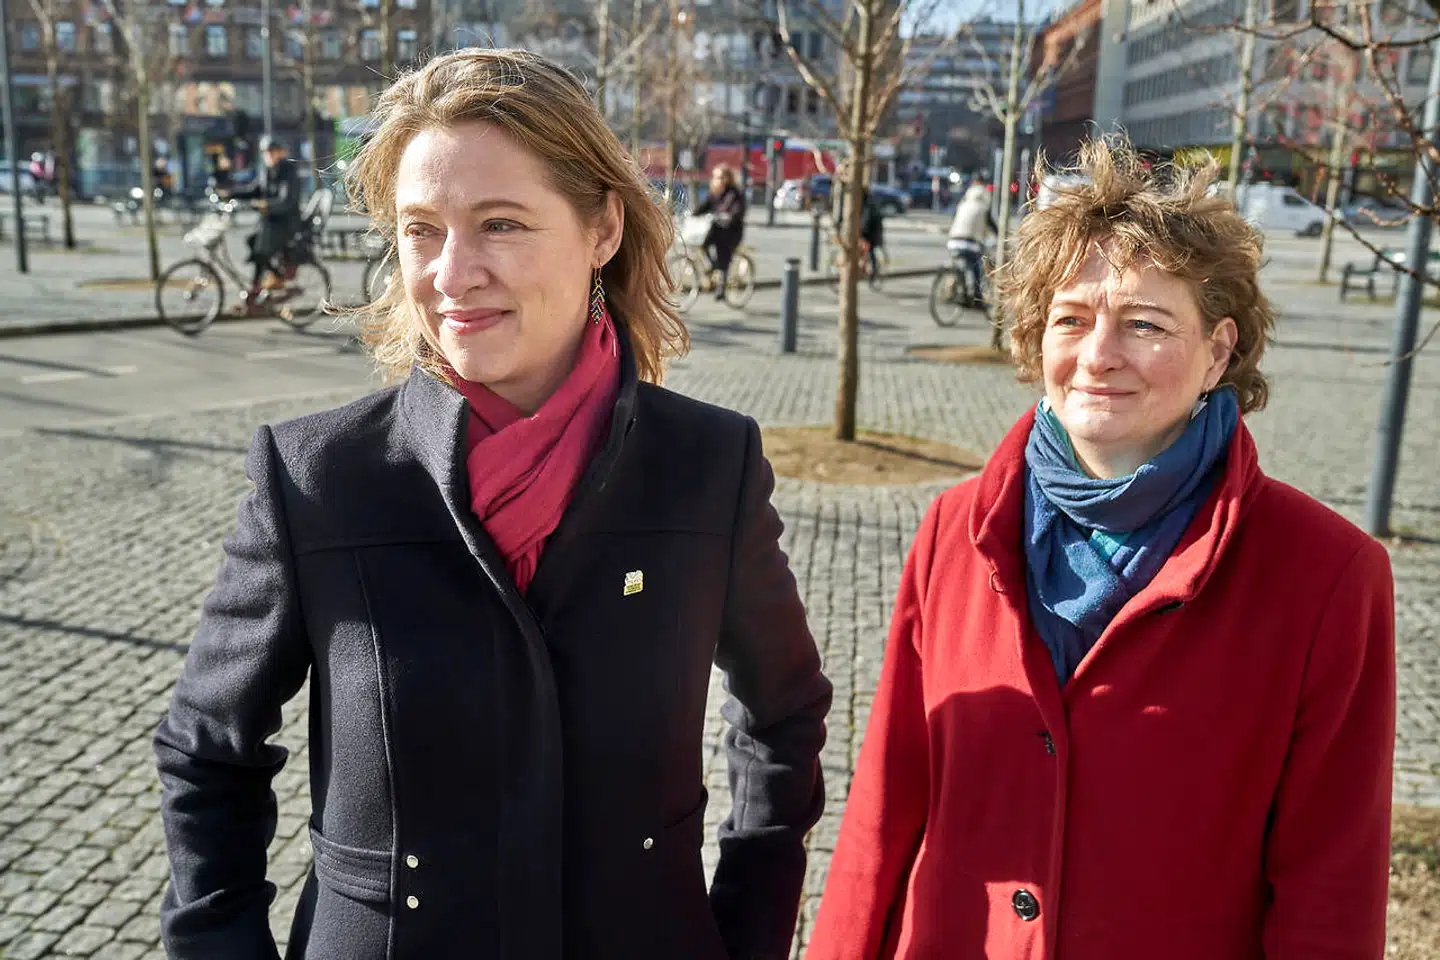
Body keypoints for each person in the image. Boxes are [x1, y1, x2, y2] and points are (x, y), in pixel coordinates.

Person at [153, 48, 831, 960]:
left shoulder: (709, 466)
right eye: (421, 229)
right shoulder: (318, 479)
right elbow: (207, 750)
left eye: (500, 224)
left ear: (602, 228)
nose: (451, 272)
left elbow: (783, 713)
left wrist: (746, 932)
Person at [807, 136, 1395, 959]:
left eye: (1145, 324)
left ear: (1218, 351)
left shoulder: (1328, 574)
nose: (1098, 355)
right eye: (1072, 319)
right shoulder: (955, 528)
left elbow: (1331, 887)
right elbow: (885, 801)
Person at [224, 135, 302, 310]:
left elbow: (287, 200)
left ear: (281, 153)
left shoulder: (289, 172)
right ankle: (269, 281)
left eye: (273, 152)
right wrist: (231, 193)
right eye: (266, 152)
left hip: (287, 224)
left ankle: (260, 288)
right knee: (252, 242)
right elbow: (255, 190)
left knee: (261, 250)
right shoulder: (266, 171)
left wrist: (266, 205)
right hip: (270, 223)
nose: (269, 156)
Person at [694, 164, 746, 299]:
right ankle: (713, 265)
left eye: (722, 177)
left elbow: (738, 210)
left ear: (728, 178)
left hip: (731, 231)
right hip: (716, 229)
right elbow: (704, 206)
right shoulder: (715, 192)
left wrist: (730, 216)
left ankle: (721, 287)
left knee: (723, 252)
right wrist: (693, 214)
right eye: (717, 177)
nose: (719, 180)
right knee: (702, 242)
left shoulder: (735, 193)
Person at [947, 174, 997, 304]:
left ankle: (957, 289)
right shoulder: (983, 206)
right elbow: (991, 224)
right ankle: (976, 296)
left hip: (952, 240)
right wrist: (1000, 235)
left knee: (960, 265)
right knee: (977, 267)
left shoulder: (964, 202)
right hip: (969, 242)